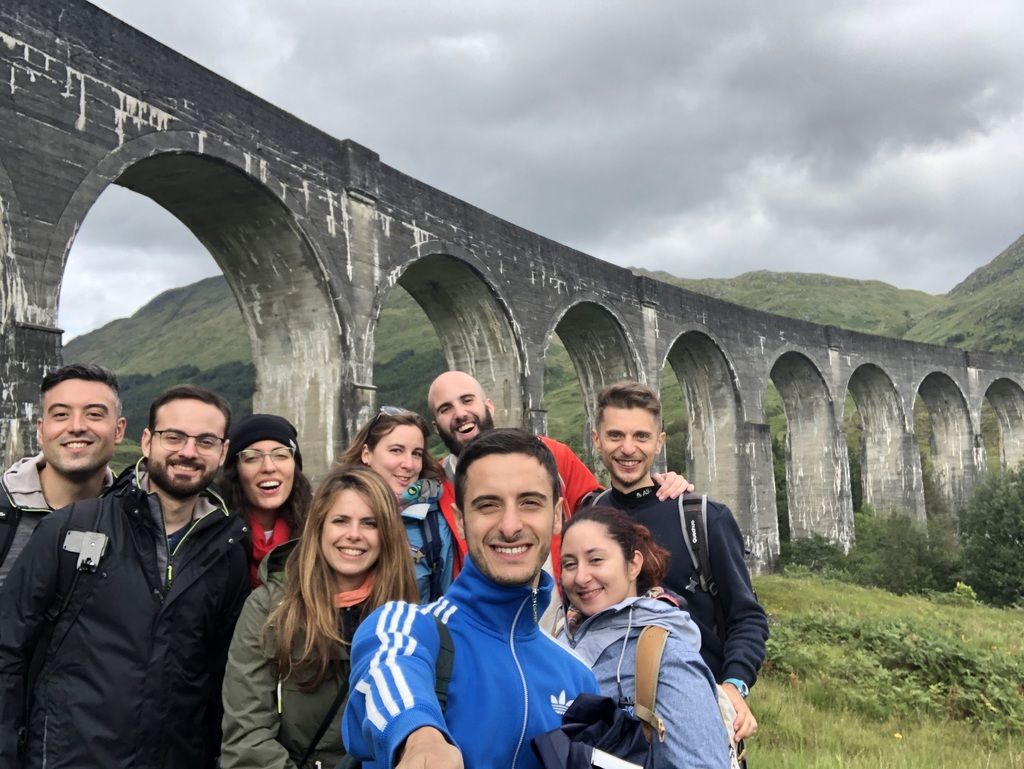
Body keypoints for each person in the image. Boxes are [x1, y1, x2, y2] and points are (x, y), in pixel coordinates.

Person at [0, 384, 250, 769]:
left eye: (205, 441)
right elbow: (8, 648)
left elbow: (220, 675)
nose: (188, 451)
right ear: (147, 442)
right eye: (174, 437)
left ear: (222, 452)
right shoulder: (70, 527)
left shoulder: (229, 548)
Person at [342, 429, 600, 769]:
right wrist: (421, 739)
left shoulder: (578, 676)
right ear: (461, 522)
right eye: (488, 505)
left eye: (529, 503)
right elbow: (388, 671)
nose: (510, 526)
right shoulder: (410, 626)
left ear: (557, 515)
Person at [586, 381, 768, 742]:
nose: (627, 448)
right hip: (608, 721)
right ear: (596, 439)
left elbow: (747, 616)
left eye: (641, 436)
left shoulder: (703, 517)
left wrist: (734, 685)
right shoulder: (587, 516)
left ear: (659, 442)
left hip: (696, 715)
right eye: (615, 435)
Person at [221, 465, 419, 769]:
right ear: (319, 527)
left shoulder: (407, 616)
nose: (354, 535)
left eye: (370, 523)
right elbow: (247, 736)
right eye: (340, 521)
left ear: (387, 534)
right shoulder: (269, 608)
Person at [426, 371, 694, 580]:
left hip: (562, 621)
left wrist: (655, 486)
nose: (460, 413)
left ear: (489, 406)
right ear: (436, 426)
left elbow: (610, 512)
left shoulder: (553, 455)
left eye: (467, 400)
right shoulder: (432, 488)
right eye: (445, 408)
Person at [558, 506, 731, 769]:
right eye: (570, 564)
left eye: (596, 560)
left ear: (633, 564)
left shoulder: (666, 656)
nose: (581, 577)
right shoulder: (557, 638)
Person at [0, 363, 126, 587]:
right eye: (61, 414)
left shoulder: (137, 521)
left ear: (118, 430)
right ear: (41, 430)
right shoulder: (5, 510)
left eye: (94, 414)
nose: (76, 426)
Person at [338, 406, 454, 603]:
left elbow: (445, 606)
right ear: (367, 454)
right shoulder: (333, 509)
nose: (408, 464)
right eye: (396, 450)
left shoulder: (434, 525)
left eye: (416, 453)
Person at [220, 413, 313, 587]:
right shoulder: (215, 540)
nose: (269, 467)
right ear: (235, 471)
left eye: (280, 455)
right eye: (252, 458)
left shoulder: (317, 534)